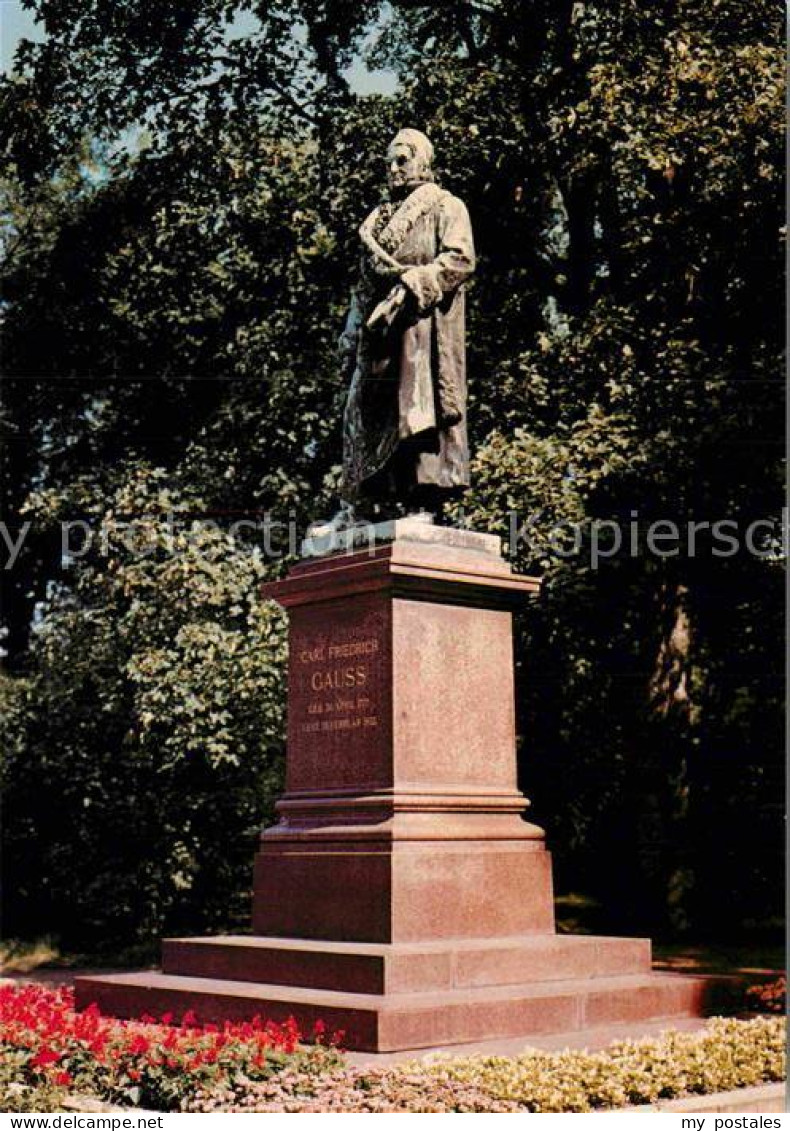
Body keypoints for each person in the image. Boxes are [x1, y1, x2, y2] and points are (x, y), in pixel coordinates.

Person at [332, 128, 476, 527]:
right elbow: (362, 286)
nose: (394, 169)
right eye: (390, 163)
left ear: (423, 161)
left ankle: (422, 502)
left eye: (402, 160)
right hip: (379, 333)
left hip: (420, 327)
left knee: (419, 410)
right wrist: (353, 329)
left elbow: (460, 259)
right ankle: (370, 504)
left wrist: (414, 283)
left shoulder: (446, 206)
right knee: (370, 412)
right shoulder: (376, 220)